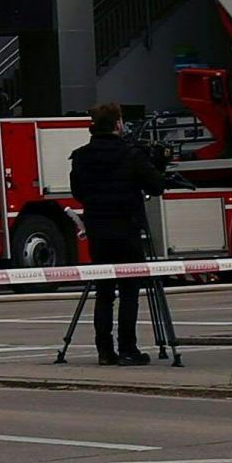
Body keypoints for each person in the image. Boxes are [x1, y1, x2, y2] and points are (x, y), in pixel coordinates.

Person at [67, 105, 167, 366]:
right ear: (118, 124)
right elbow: (156, 186)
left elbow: (78, 192)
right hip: (127, 230)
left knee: (104, 292)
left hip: (98, 232)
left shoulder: (81, 156)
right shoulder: (131, 154)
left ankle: (104, 350)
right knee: (130, 290)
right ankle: (128, 348)